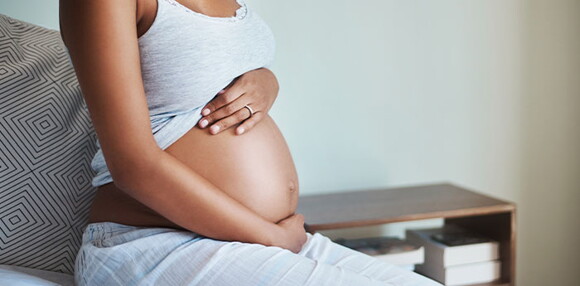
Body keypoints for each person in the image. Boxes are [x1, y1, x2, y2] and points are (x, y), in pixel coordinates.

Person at [59, 0, 442, 285]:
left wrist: (266, 79)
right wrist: (269, 236)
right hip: (156, 244)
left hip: (253, 239)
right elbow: (132, 164)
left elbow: (206, 68)